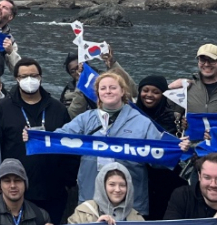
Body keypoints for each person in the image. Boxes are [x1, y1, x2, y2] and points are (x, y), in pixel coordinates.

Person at [39, 70, 166, 216]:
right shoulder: (85, 119)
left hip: (130, 200)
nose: (108, 91)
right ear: (98, 93)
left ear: (122, 91)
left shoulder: (142, 122)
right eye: (103, 88)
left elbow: (160, 159)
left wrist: (178, 148)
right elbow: (58, 139)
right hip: (91, 197)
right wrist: (35, 137)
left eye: (113, 88)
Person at [0, 58, 74, 223]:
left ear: (41, 77)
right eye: (24, 76)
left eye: (33, 75)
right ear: (17, 79)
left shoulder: (58, 109)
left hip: (53, 189)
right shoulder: (2, 108)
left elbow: (69, 147)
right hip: (14, 190)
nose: (29, 79)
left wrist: (67, 180)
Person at [133, 73, 186, 223]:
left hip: (164, 180)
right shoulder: (130, 115)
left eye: (156, 92)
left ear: (163, 95)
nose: (149, 95)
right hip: (138, 177)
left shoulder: (174, 119)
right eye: (145, 90)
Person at [0, 159, 53, 225]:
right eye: (7, 181)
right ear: (0, 185)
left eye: (17, 180)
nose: (12, 185)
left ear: (25, 184)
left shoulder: (41, 215)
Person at [66, 163, 142, 225]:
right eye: (112, 184)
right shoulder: (84, 211)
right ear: (102, 186)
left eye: (122, 185)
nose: (117, 190)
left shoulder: (136, 218)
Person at [168, 44, 217, 114]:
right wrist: (169, 88)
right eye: (202, 60)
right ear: (198, 62)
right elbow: (166, 112)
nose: (206, 64)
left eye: (212, 60)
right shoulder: (187, 88)